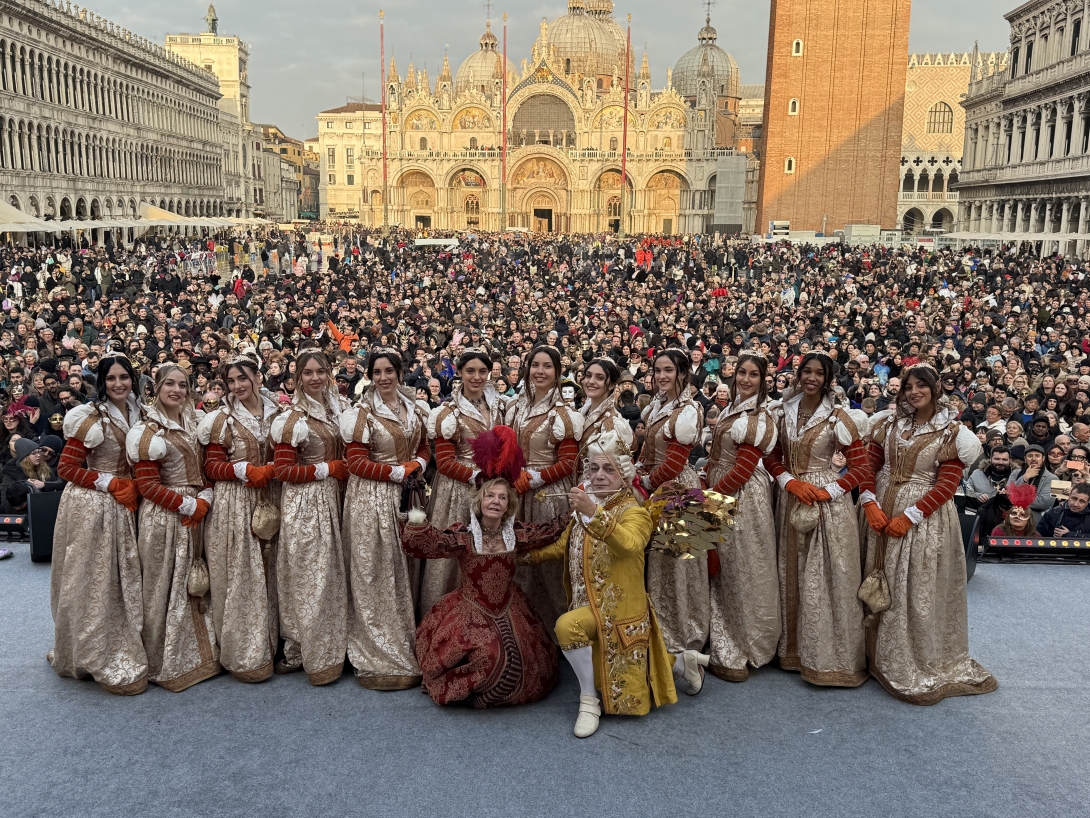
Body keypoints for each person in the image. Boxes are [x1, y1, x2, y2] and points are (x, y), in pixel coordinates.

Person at [525, 432, 708, 738]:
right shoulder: (585, 511)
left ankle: (588, 701)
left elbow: (630, 544)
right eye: (594, 469)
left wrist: (592, 513)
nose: (598, 476)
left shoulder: (634, 512)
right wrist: (520, 557)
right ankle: (684, 663)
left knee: (566, 627)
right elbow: (561, 548)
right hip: (590, 605)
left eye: (608, 470)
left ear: (624, 477)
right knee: (601, 639)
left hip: (620, 613)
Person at [400, 426, 569, 707]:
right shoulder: (465, 535)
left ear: (508, 505)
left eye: (502, 498)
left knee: (526, 659)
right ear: (480, 502)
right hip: (470, 608)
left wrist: (581, 511)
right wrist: (416, 523)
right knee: (489, 654)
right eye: (491, 496)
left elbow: (551, 530)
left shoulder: (516, 533)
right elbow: (428, 545)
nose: (496, 501)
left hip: (509, 605)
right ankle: (474, 691)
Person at [860, 364, 997, 705]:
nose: (914, 392)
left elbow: (947, 483)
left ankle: (906, 657)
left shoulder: (953, 434)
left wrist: (910, 516)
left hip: (924, 518)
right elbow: (869, 466)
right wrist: (868, 501)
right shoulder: (887, 424)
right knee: (873, 578)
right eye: (908, 386)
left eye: (922, 385)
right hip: (879, 511)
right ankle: (869, 654)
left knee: (913, 587)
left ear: (935, 389)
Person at [764, 352, 870, 687]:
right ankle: (791, 651)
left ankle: (828, 658)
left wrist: (830, 491)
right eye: (806, 371)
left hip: (826, 504)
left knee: (823, 579)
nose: (811, 378)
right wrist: (788, 481)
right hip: (790, 497)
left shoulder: (839, 416)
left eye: (818, 373)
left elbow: (862, 469)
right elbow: (772, 457)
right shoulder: (784, 411)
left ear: (828, 378)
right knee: (790, 572)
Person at [48, 353, 146, 695]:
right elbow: (67, 469)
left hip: (133, 500)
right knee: (96, 579)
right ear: (101, 383)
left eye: (124, 377)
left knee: (127, 578)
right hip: (97, 506)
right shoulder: (89, 418)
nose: (118, 384)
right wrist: (111, 483)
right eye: (111, 379)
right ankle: (92, 650)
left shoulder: (142, 412)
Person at [339, 347, 430, 690]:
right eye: (376, 372)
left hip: (409, 495)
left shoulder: (412, 407)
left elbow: (423, 447)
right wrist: (397, 472)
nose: (383, 378)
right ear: (370, 376)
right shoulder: (361, 413)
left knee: (404, 567)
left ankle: (407, 636)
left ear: (399, 372)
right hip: (373, 499)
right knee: (376, 570)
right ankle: (379, 647)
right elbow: (356, 462)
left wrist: (417, 465)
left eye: (388, 371)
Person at [127, 364, 219, 692]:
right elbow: (146, 484)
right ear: (156, 387)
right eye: (169, 384)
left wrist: (205, 494)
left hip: (197, 510)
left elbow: (204, 466)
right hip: (165, 515)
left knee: (192, 582)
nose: (176, 390)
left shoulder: (194, 421)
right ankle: (162, 658)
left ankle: (202, 653)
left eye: (182, 384)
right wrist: (187, 505)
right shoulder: (148, 429)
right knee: (162, 584)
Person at [197, 356, 281, 683]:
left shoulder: (280, 412)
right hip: (236, 503)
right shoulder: (220, 419)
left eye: (242, 378)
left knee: (273, 570)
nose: (237, 386)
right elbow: (211, 467)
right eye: (231, 381)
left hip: (274, 496)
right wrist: (243, 469)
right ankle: (246, 649)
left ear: (258, 376)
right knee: (243, 574)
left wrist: (272, 469)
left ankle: (276, 642)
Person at [271, 349, 350, 686]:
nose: (315, 378)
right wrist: (328, 468)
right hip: (307, 501)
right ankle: (305, 647)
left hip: (338, 497)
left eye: (320, 371)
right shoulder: (292, 418)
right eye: (308, 373)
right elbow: (283, 470)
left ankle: (339, 644)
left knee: (336, 573)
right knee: (310, 576)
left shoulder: (341, 409)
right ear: (297, 378)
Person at [702, 352, 780, 682]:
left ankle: (743, 644)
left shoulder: (759, 417)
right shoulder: (734, 408)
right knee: (716, 563)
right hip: (719, 486)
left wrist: (709, 503)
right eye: (742, 373)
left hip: (740, 496)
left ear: (764, 380)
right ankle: (711, 632)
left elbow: (744, 470)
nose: (745, 379)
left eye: (753, 375)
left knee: (740, 567)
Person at [418, 348, 504, 614]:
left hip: (493, 491)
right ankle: (443, 618)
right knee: (453, 558)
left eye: (481, 371)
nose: (476, 377)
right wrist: (477, 477)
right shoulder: (448, 413)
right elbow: (444, 462)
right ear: (459, 373)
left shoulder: (500, 405)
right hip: (458, 491)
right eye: (470, 371)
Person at [506, 344, 584, 628]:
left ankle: (558, 630)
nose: (540, 371)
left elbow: (568, 462)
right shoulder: (514, 407)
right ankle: (525, 633)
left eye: (547, 366)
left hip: (548, 496)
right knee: (519, 565)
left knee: (548, 564)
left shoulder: (563, 414)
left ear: (557, 372)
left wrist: (535, 478)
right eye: (535, 365)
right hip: (517, 494)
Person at [637, 348, 708, 654]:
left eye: (668, 370)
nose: (662, 376)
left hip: (679, 489)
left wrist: (644, 483)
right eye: (658, 370)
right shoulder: (658, 407)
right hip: (659, 488)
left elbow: (675, 465)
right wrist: (637, 469)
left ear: (682, 374)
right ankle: (662, 631)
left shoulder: (688, 410)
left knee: (680, 566)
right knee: (661, 566)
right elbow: (649, 454)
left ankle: (685, 637)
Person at [579, 357, 634, 457]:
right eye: (588, 375)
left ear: (612, 385)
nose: (591, 381)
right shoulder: (582, 412)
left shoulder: (612, 423)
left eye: (600, 378)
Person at [1008, 444, 1056, 513]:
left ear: (1043, 458)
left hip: (1036, 519)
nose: (1033, 459)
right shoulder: (1015, 473)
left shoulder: (1052, 479)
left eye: (1037, 456)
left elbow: (1042, 503)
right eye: (1030, 456)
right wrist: (1025, 477)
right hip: (1013, 515)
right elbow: (1008, 494)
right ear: (1025, 458)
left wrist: (1015, 499)